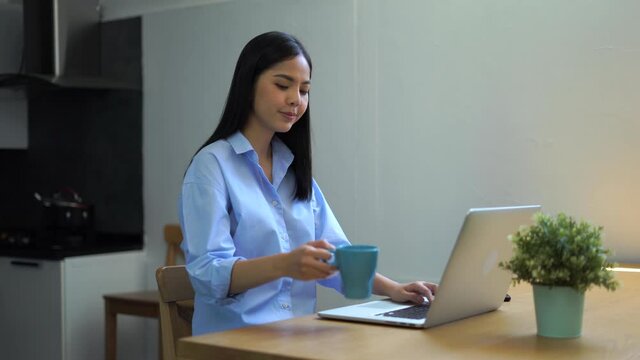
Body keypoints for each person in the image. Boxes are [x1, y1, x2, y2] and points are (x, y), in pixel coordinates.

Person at [179, 31, 438, 335]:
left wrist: (395, 289)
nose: (296, 100)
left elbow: (336, 255)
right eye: (282, 85)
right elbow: (208, 274)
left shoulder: (293, 170)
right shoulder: (211, 166)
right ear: (248, 85)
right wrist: (287, 264)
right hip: (234, 343)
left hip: (297, 337)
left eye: (304, 90)